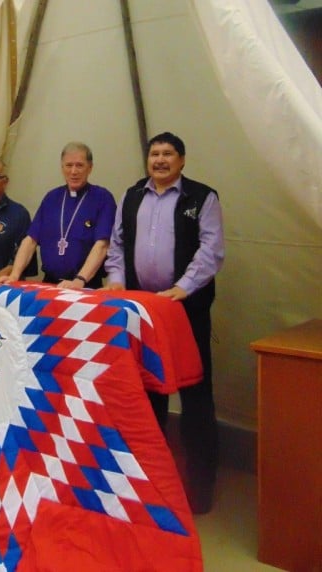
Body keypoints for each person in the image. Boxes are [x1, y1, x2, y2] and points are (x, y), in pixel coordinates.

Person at [104, 131, 225, 514]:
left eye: (168, 154)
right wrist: (117, 280)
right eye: (154, 154)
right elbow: (117, 245)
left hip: (184, 310)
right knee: (147, 392)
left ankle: (200, 490)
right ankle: (151, 485)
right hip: (141, 310)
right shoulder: (132, 195)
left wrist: (182, 288)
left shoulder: (202, 197)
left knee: (195, 394)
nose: (159, 160)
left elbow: (212, 250)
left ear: (182, 160)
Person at [0, 142, 116, 289]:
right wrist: (14, 276)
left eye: (79, 165)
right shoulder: (51, 198)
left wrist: (80, 280)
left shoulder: (102, 198)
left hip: (84, 285)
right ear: (62, 167)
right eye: (68, 165)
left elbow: (103, 244)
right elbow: (30, 240)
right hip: (50, 283)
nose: (74, 171)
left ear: (90, 167)